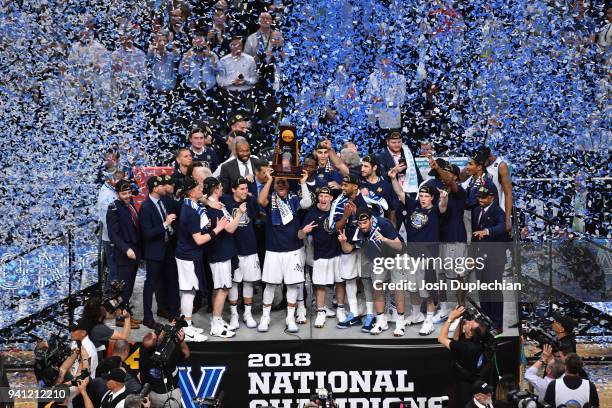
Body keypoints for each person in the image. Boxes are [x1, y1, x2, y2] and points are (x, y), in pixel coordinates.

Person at [391, 177, 449, 335]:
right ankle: (416, 314)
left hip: (429, 258)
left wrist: (444, 197)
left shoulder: (436, 211)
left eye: (426, 196)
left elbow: (443, 207)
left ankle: (429, 321)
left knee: (429, 291)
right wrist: (393, 178)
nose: (423, 198)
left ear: (432, 198)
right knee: (413, 288)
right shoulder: (414, 206)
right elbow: (400, 193)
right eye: (421, 195)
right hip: (411, 256)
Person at [257, 168, 312, 333]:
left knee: (294, 285)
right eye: (278, 182)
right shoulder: (270, 197)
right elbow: (260, 202)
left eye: (284, 182)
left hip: (293, 249)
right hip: (273, 250)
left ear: (288, 185)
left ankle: (290, 317)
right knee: (270, 285)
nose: (281, 184)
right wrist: (268, 181)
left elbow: (308, 203)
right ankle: (265, 317)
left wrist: (302, 183)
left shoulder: (294, 199)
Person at [174, 177, 229, 341]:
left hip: (190, 254)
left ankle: (188, 325)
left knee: (190, 290)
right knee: (188, 292)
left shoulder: (192, 204)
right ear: (190, 192)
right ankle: (186, 329)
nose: (202, 189)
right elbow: (198, 240)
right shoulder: (190, 212)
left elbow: (205, 200)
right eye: (198, 188)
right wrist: (217, 229)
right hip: (187, 255)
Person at [338, 207, 404, 335]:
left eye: (365, 223)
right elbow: (348, 249)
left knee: (398, 288)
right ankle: (381, 321)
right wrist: (343, 242)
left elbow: (399, 245)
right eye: (360, 223)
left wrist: (384, 239)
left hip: (396, 256)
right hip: (377, 259)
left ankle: (400, 324)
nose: (362, 226)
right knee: (377, 287)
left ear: (371, 219)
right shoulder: (356, 229)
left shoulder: (384, 224)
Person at [202, 176, 244, 337]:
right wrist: (240, 213)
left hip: (220, 252)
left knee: (218, 287)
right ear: (215, 189)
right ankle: (216, 323)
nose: (222, 189)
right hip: (220, 253)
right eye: (219, 187)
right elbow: (230, 229)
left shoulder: (216, 205)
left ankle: (217, 320)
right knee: (223, 288)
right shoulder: (215, 208)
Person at [299, 187, 346, 328]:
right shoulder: (312, 214)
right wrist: (304, 231)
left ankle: (341, 311)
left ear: (331, 198)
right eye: (321, 196)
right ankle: (320, 313)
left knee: (340, 284)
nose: (323, 199)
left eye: (326, 196)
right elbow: (300, 235)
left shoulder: (338, 211)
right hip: (320, 255)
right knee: (320, 286)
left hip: (337, 253)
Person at [222, 176, 262, 329]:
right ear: (233, 189)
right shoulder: (225, 200)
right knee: (233, 283)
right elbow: (207, 199)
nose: (245, 191)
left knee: (248, 282)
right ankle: (234, 315)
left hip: (250, 247)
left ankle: (247, 313)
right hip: (233, 249)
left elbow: (256, 216)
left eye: (246, 188)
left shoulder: (251, 201)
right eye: (242, 189)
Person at [332, 175, 370, 331]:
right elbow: (336, 226)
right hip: (347, 245)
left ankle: (370, 315)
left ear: (355, 187)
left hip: (364, 247)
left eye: (346, 184)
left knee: (367, 280)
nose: (343, 187)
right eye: (343, 184)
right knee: (349, 279)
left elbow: (372, 224)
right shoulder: (341, 202)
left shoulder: (367, 200)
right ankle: (353, 313)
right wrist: (346, 216)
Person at [139, 176, 178, 328]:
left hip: (167, 248)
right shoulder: (146, 207)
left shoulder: (164, 202)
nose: (165, 187)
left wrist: (170, 228)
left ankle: (170, 311)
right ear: (155, 188)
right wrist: (165, 224)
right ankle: (147, 317)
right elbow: (148, 233)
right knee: (151, 284)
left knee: (171, 280)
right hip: (154, 251)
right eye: (162, 185)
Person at [106, 180, 142, 326]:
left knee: (129, 287)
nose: (127, 196)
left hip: (134, 251)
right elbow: (113, 235)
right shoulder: (113, 208)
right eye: (124, 193)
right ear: (117, 194)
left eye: (128, 192)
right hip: (124, 253)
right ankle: (121, 318)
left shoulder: (130, 204)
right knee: (123, 289)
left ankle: (127, 314)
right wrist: (126, 249)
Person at [471, 185, 506, 331]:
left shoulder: (498, 211)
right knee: (483, 289)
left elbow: (502, 227)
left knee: (494, 290)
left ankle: (497, 323)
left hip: (494, 258)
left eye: (484, 197)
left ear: (492, 197)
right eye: (479, 197)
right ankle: (486, 319)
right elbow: (474, 234)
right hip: (480, 257)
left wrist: (486, 231)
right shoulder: (476, 211)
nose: (481, 200)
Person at [437, 306, 488, 408]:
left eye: (469, 323)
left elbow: (441, 338)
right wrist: (461, 320)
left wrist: (450, 319)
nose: (467, 322)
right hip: (471, 380)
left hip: (464, 389)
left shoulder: (465, 348)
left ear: (469, 333)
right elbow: (456, 338)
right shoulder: (479, 341)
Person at [139, 329, 189, 408]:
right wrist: (181, 340)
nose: (157, 332)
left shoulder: (143, 350)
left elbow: (151, 342)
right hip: (169, 396)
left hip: (152, 393)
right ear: (156, 343)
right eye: (156, 334)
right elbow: (186, 353)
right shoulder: (169, 353)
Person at [217, 36, 258, 117]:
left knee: (247, 119)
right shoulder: (223, 60)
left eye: (239, 45)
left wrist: (246, 81)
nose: (236, 47)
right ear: (230, 46)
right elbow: (220, 80)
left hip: (246, 94)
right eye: (234, 45)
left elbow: (255, 78)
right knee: (228, 119)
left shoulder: (250, 60)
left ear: (242, 46)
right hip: (229, 94)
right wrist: (232, 82)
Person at [366, 56, 406, 138]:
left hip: (391, 120)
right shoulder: (372, 77)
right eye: (382, 62)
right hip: (374, 118)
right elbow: (367, 96)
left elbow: (401, 100)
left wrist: (383, 100)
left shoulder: (400, 78)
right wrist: (372, 98)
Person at [97, 169, 124, 289]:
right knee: (114, 269)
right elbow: (107, 221)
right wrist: (115, 240)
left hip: (112, 237)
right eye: (119, 179)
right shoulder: (106, 196)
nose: (122, 181)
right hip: (110, 238)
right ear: (111, 179)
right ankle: (110, 297)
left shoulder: (110, 190)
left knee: (113, 268)